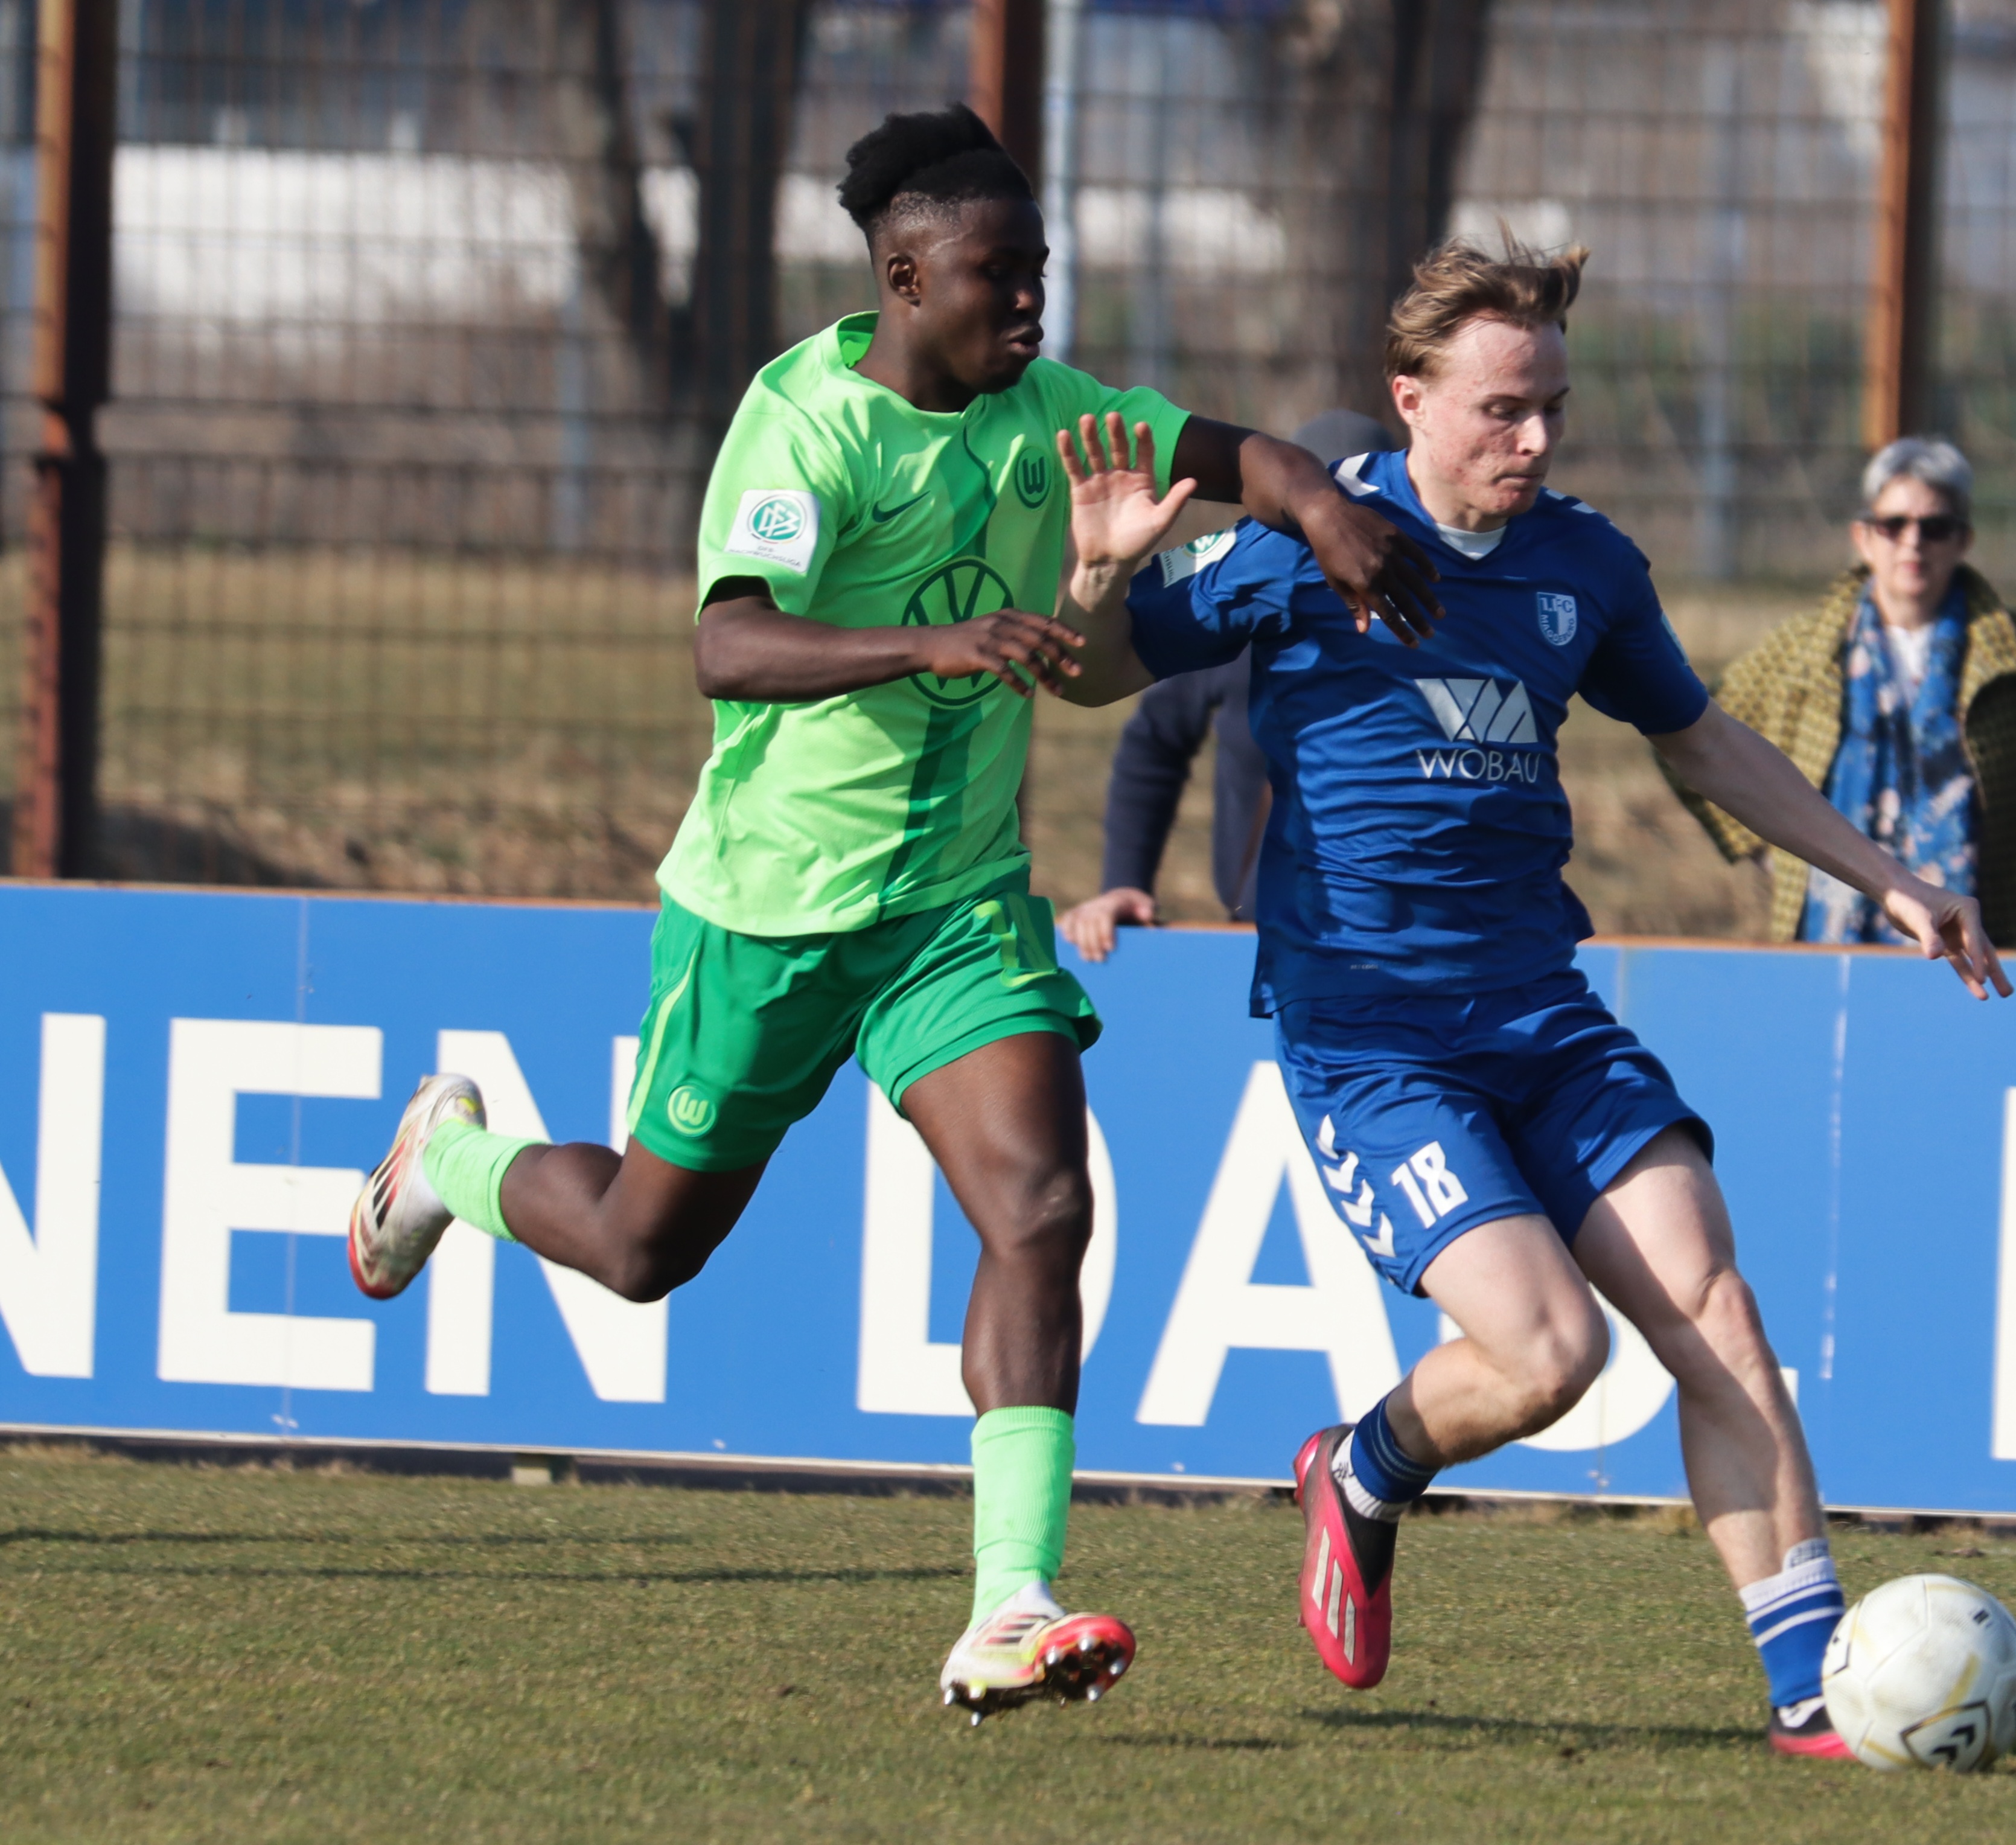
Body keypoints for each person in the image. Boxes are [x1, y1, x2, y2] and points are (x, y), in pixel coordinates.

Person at [341, 103, 1440, 1723]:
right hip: (768, 912)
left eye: (1041, 274)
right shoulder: (804, 424)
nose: (1030, 306)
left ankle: (1012, 1601)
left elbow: (1237, 453)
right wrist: (930, 645)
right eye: (998, 279)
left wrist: (1325, 514)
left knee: (1042, 1206)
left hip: (950, 912)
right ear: (906, 277)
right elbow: (728, 648)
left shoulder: (1055, 414)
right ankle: (450, 1158)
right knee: (647, 1250)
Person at [1048, 238, 2009, 1757]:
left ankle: (1808, 1681)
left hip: (1540, 1015)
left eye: (1552, 405)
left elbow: (1698, 740)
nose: (1535, 439)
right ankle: (1361, 1468)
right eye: (1503, 408)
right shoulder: (1305, 540)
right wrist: (1099, 573)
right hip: (1369, 1040)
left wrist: (1884, 873)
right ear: (1409, 398)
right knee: (1547, 1355)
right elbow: (1092, 678)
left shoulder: (1583, 564)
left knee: (1714, 1307)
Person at [1670, 438, 2016, 948]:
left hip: (1989, 934)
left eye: (1934, 528)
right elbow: (1685, 733)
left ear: (1962, 540)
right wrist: (1765, 845)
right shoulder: (1803, 651)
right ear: (1863, 537)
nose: (1913, 543)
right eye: (1893, 526)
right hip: (1830, 937)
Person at [1058, 409, 1396, 960]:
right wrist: (1124, 881)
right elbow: (1153, 740)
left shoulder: (1432, 620)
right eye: (1317, 516)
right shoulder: (1241, 617)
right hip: (1260, 933)